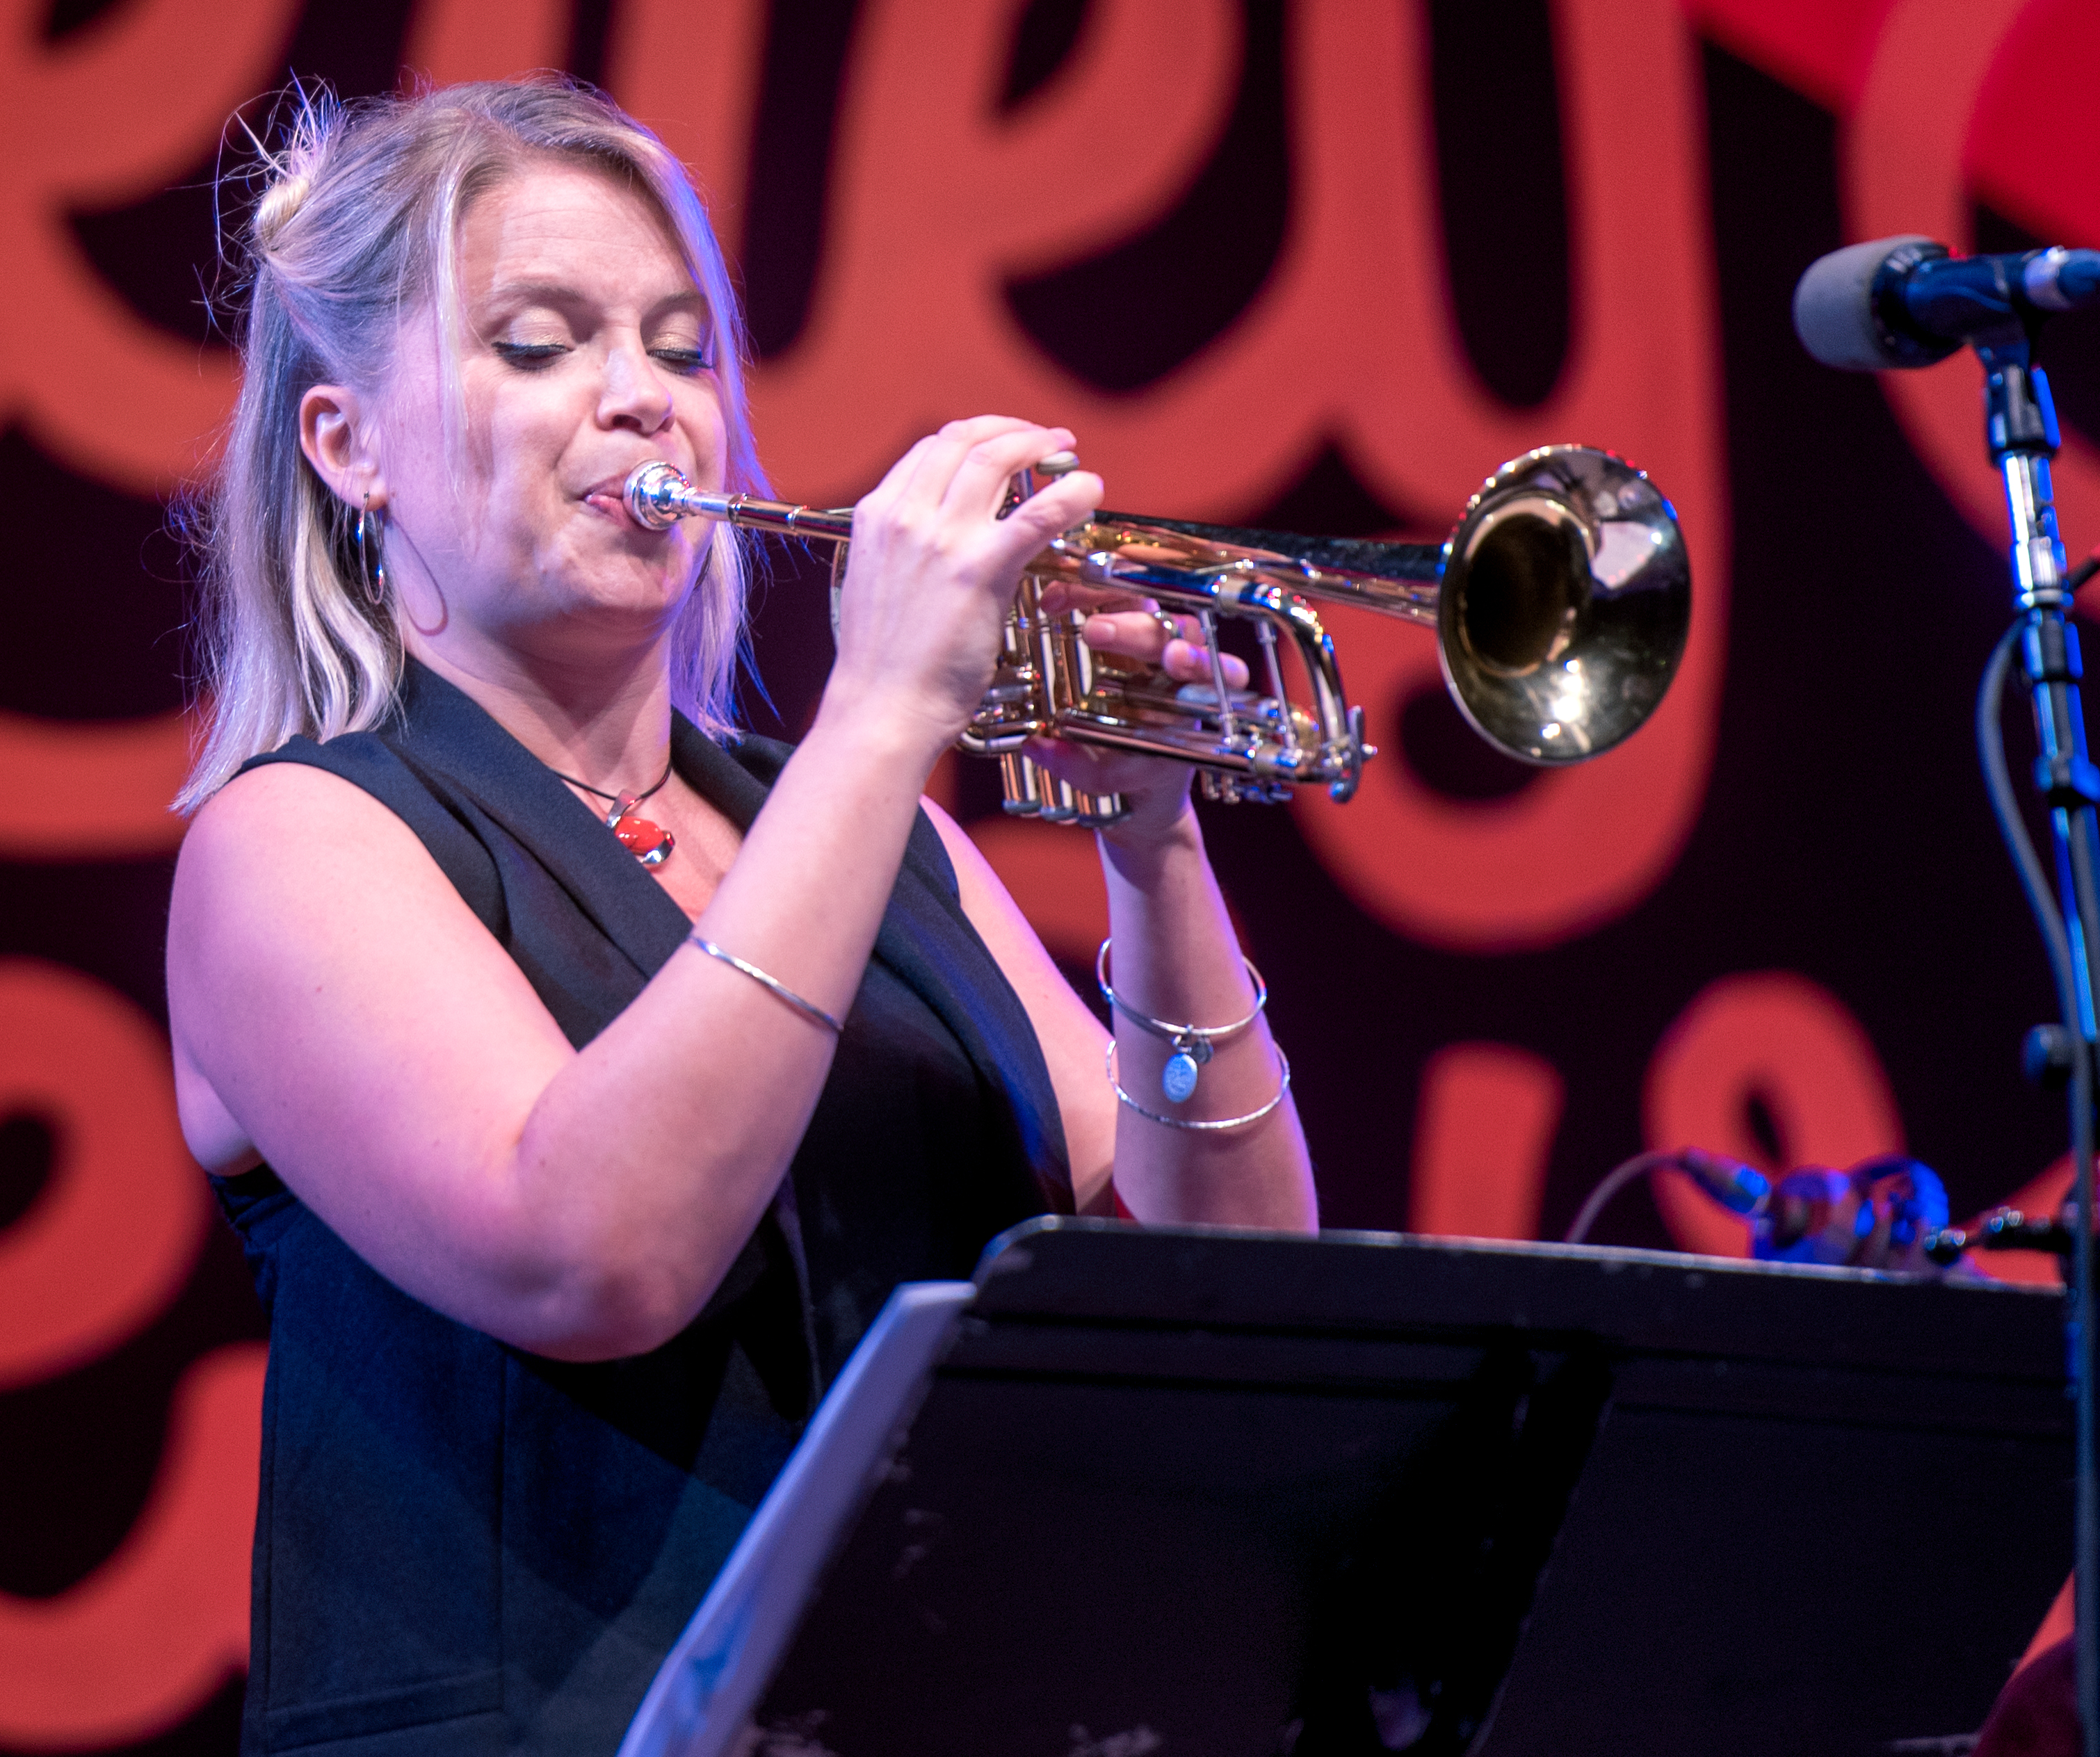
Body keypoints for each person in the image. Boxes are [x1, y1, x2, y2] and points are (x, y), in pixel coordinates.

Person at [164, 78, 1315, 1755]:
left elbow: (1235, 1298)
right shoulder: (296, 840)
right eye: (541, 344)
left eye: (681, 350)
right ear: (348, 447)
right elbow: (593, 1253)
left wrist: (1152, 850)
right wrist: (879, 715)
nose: (642, 403)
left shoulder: (870, 828)